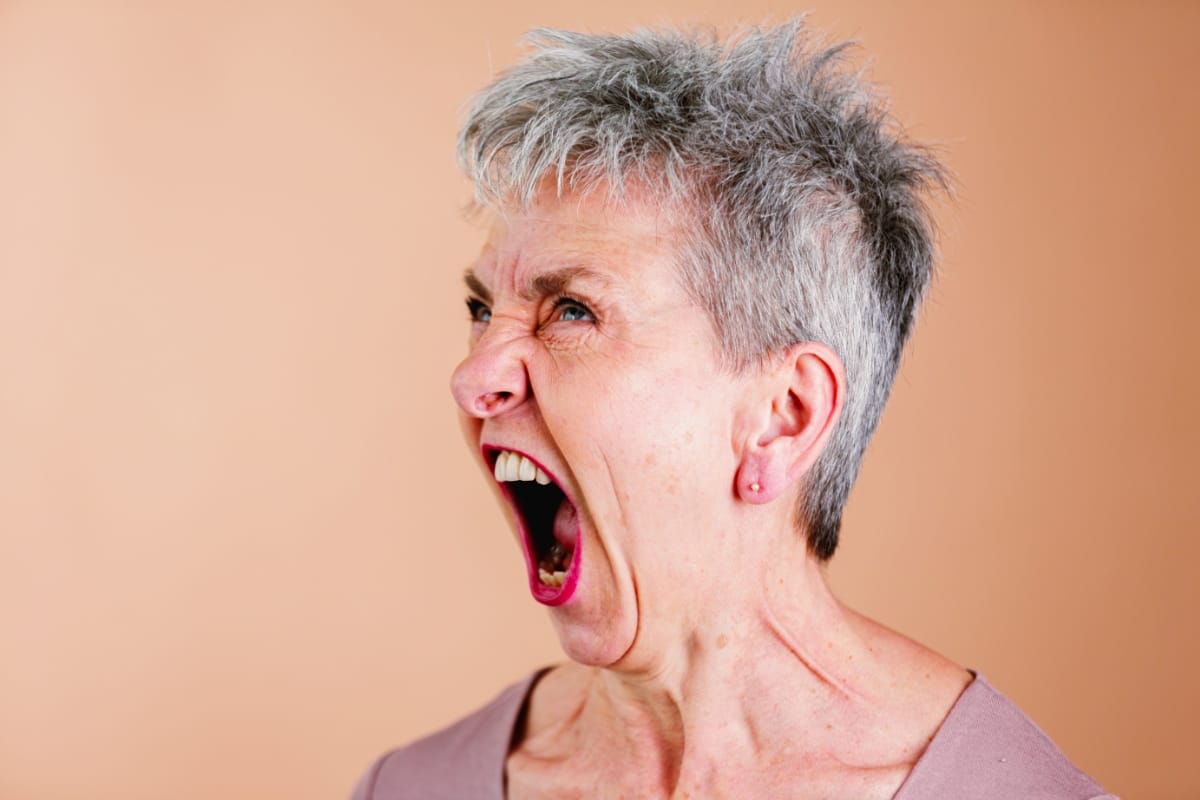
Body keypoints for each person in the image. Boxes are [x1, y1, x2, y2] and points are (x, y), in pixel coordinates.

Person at [354, 20, 1114, 799]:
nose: (473, 376)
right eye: (483, 309)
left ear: (782, 416)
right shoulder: (412, 786)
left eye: (572, 311)